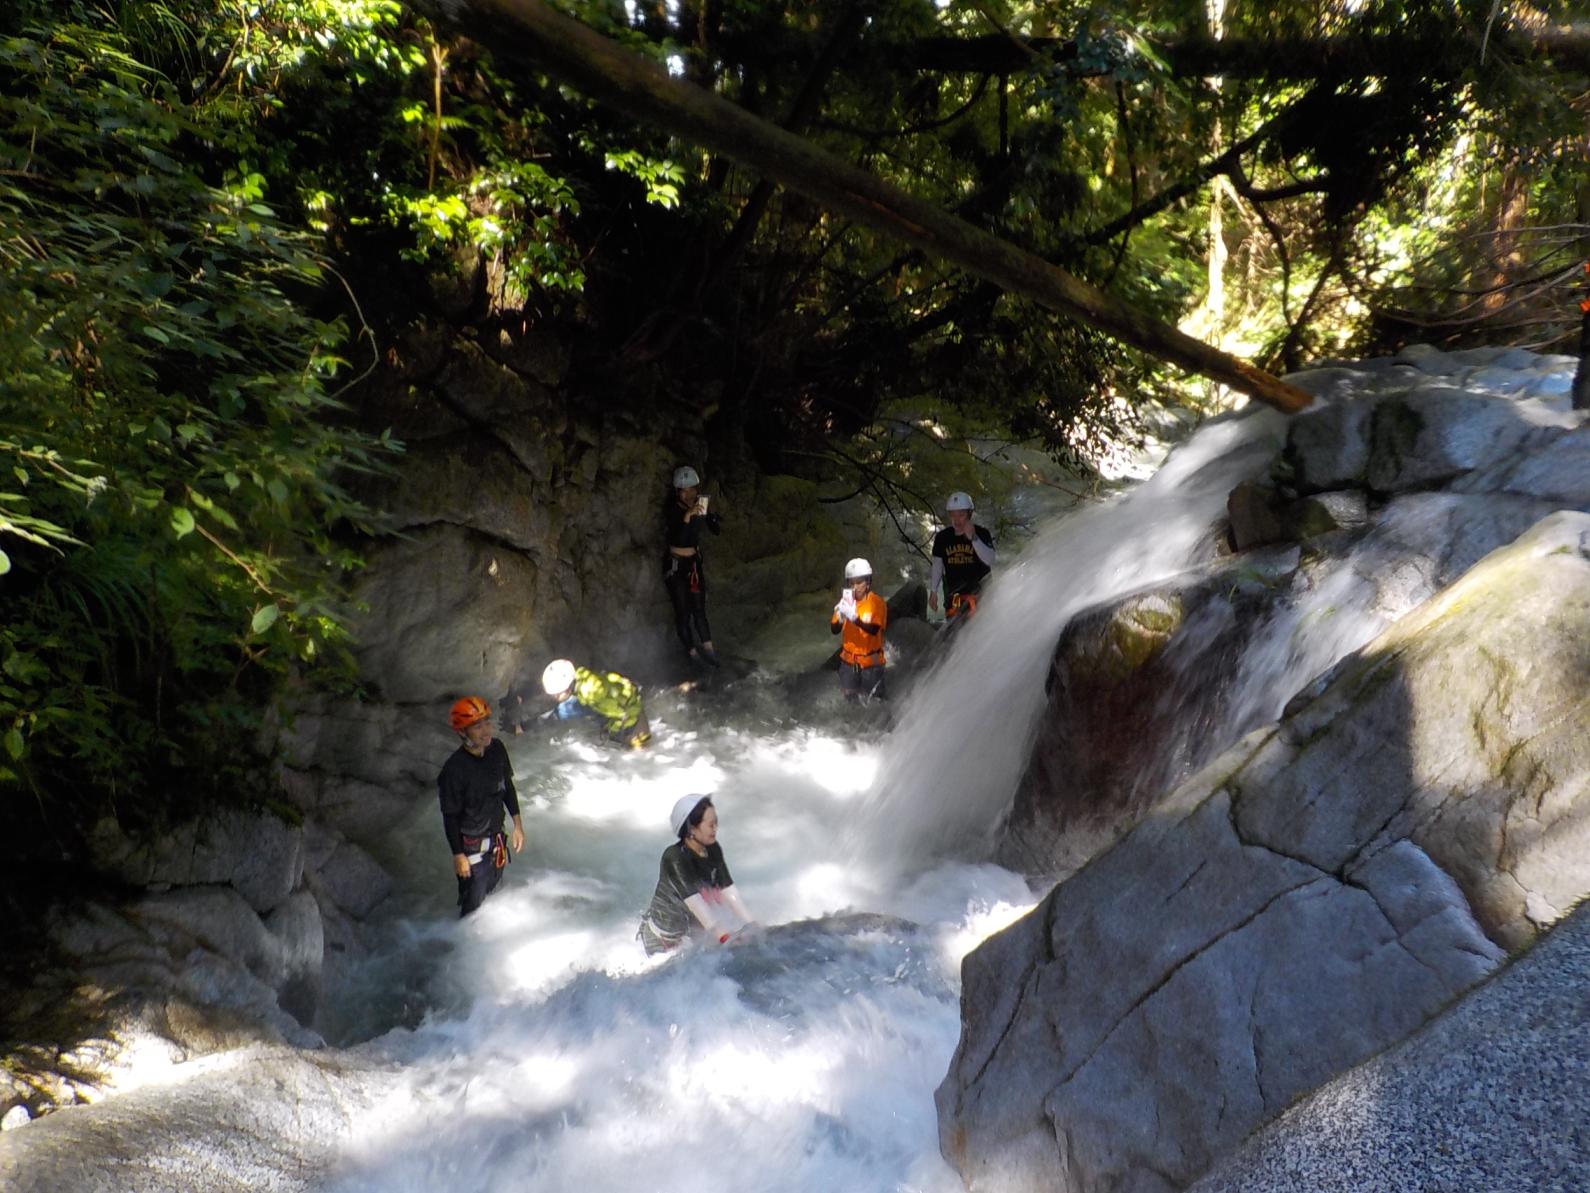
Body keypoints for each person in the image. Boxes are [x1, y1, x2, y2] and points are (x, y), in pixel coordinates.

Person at [438, 696, 525, 917]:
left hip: (497, 840)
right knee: (472, 908)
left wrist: (517, 824)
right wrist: (458, 855)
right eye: (477, 726)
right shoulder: (454, 770)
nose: (486, 731)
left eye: (487, 722)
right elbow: (450, 816)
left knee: (494, 893)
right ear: (463, 732)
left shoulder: (496, 749)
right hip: (472, 849)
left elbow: (507, 787)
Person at [638, 794, 753, 955]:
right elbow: (695, 904)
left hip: (691, 932)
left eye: (715, 822)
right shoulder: (674, 857)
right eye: (709, 824)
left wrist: (752, 925)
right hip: (661, 941)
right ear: (691, 828)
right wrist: (724, 937)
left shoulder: (713, 850)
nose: (715, 827)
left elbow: (729, 890)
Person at [663, 465, 723, 667]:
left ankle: (709, 650)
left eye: (692, 489)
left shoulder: (699, 506)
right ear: (678, 492)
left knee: (699, 609)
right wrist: (687, 517)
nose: (689, 494)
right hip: (675, 565)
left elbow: (716, 531)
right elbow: (678, 538)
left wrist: (711, 517)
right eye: (684, 490)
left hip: (693, 564)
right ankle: (692, 653)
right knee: (683, 611)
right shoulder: (672, 509)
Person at [540, 658, 652, 748]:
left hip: (633, 729)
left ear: (566, 689)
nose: (554, 697)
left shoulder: (582, 699)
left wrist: (523, 727)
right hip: (636, 710)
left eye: (556, 694)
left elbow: (554, 715)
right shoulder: (587, 678)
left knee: (637, 757)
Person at [928, 490, 995, 621]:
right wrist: (933, 591)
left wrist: (973, 538)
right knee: (955, 634)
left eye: (961, 515)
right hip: (955, 597)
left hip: (980, 595)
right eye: (953, 515)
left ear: (969, 514)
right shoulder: (943, 537)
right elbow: (937, 565)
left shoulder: (981, 533)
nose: (957, 520)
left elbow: (990, 560)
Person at [831, 556, 887, 702]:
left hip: (871, 663)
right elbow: (834, 629)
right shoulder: (845, 602)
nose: (855, 587)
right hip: (850, 663)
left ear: (867, 582)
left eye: (859, 582)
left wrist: (855, 618)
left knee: (873, 701)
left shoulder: (876, 603)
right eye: (851, 583)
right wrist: (842, 615)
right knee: (850, 701)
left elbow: (874, 629)